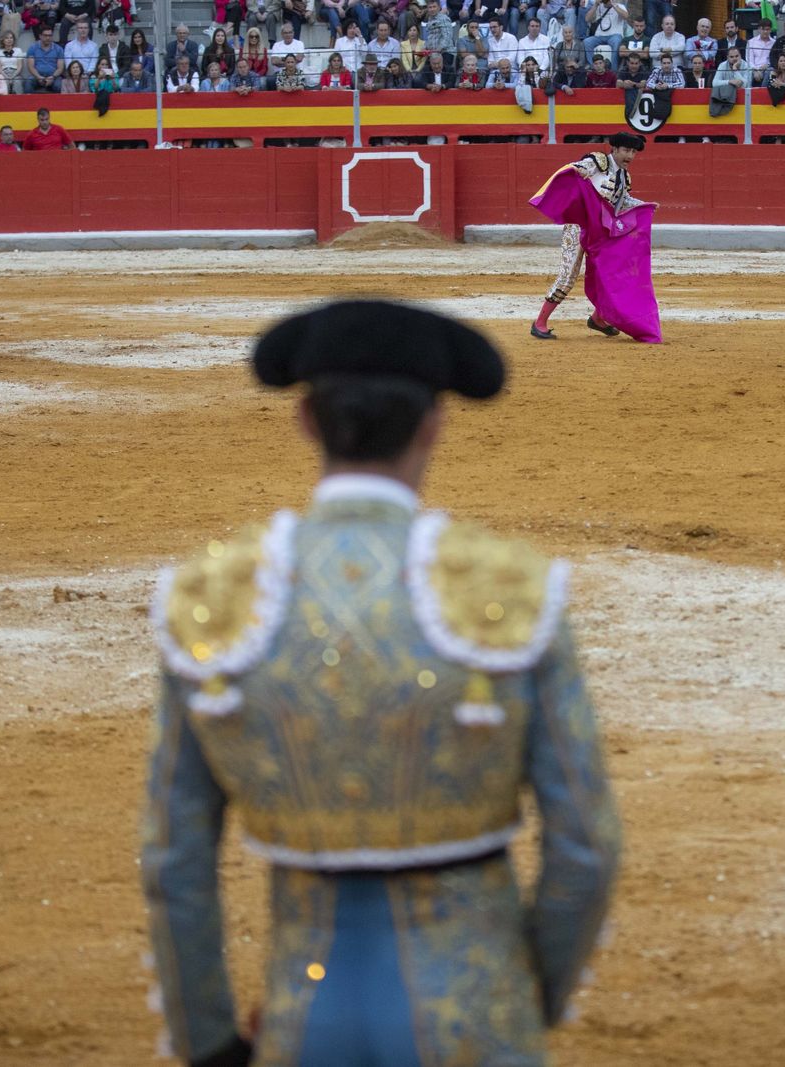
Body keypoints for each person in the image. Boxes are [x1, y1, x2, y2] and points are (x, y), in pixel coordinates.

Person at [141, 300, 621, 1067]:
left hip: (306, 1018)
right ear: (434, 423)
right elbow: (587, 849)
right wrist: (526, 998)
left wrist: (210, 1045)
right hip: (477, 1008)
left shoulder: (215, 595)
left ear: (305, 420)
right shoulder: (511, 590)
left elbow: (175, 863)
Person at [529, 131, 654, 342]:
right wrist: (581, 176)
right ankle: (539, 323)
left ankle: (598, 319)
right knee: (568, 276)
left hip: (600, 231)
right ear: (614, 149)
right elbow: (576, 171)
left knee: (608, 275)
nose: (630, 156)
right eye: (626, 150)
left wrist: (644, 206)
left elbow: (623, 202)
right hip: (579, 227)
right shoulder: (598, 162)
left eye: (633, 152)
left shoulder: (624, 176)